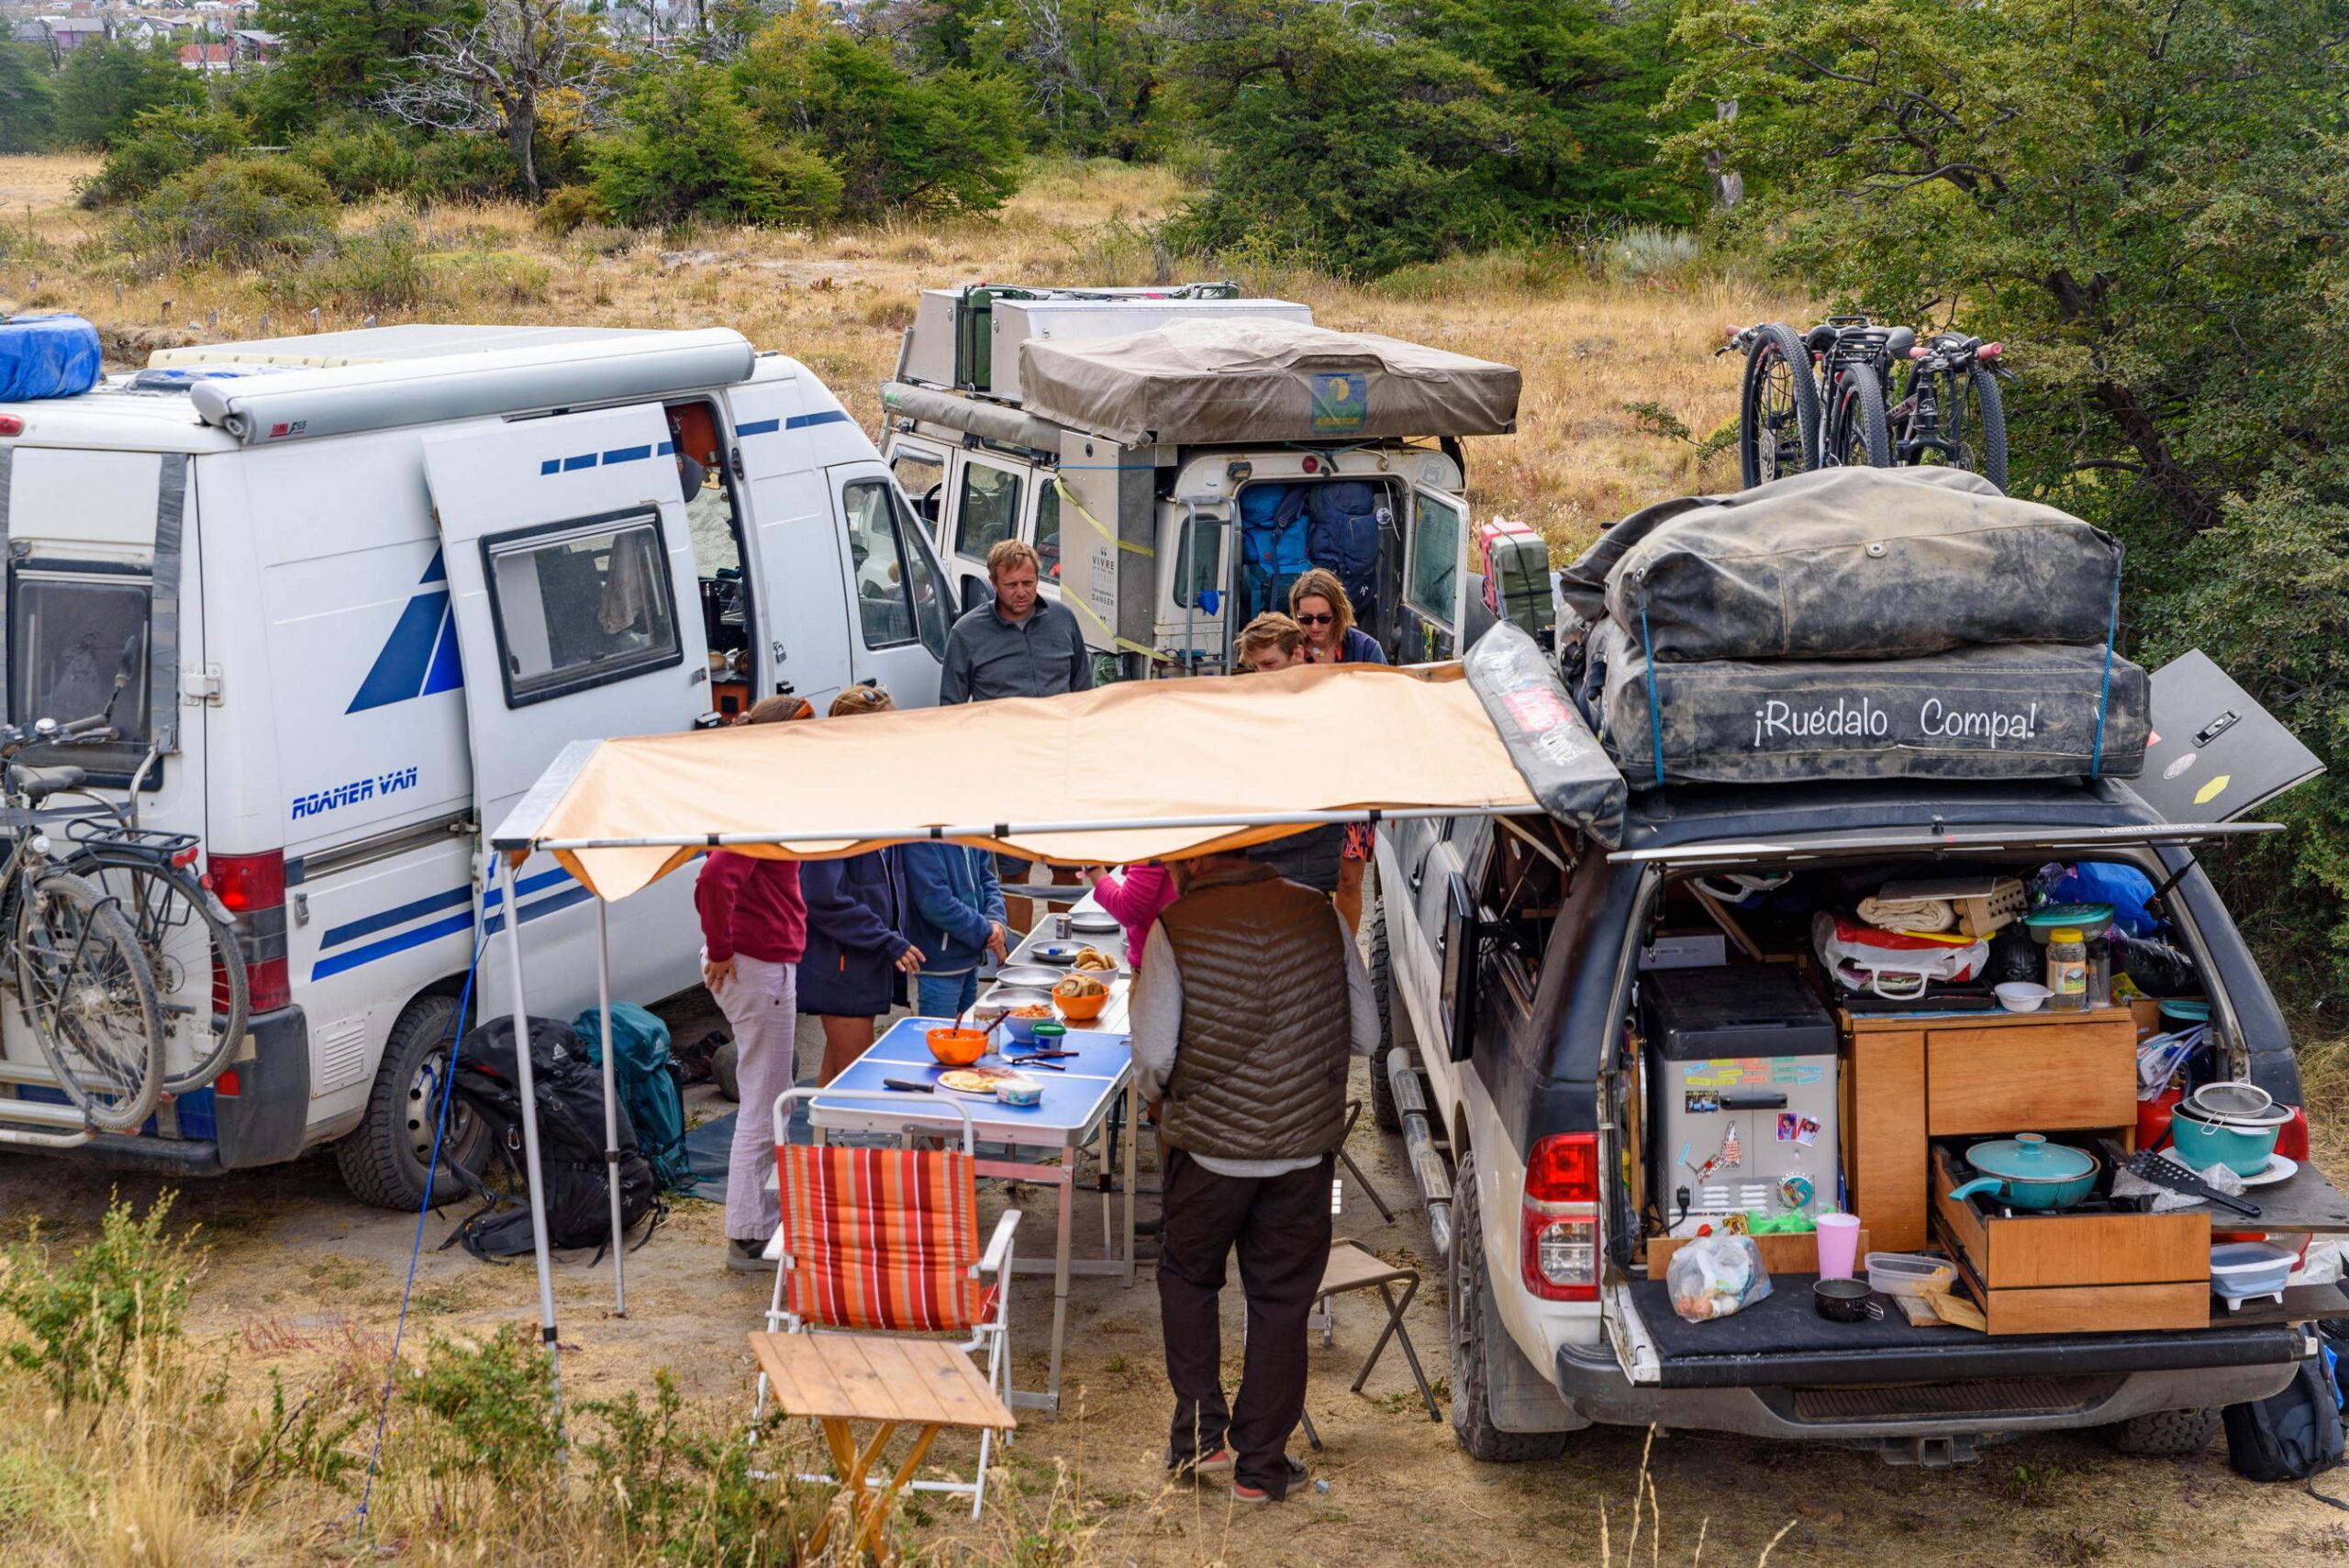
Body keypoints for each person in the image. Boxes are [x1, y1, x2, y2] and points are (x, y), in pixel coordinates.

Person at [1130, 851, 1379, 1504]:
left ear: (1197, 858)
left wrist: (1162, 1094)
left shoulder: (1176, 926)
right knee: (1281, 1302)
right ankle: (1260, 1467)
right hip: (1303, 1150)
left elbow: (1154, 1056)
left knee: (1187, 1278)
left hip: (1206, 1148)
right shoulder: (1321, 917)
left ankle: (1200, 1438)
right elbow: (1369, 1033)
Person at [696, 694, 814, 1272]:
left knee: (767, 1099)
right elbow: (715, 878)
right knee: (765, 1103)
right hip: (756, 964)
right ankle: (748, 1234)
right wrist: (721, 948)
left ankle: (757, 1222)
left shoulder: (762, 793)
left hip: (760, 961)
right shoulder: (761, 803)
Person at [939, 537, 1094, 932]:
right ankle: (1015, 959)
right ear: (993, 583)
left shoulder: (1063, 620)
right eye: (1011, 585)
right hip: (1005, 772)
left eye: (1029, 582)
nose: (1022, 592)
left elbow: (1083, 692)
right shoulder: (967, 633)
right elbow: (953, 711)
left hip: (1062, 768)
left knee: (1067, 865)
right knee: (1014, 871)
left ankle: (1068, 953)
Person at [797, 686, 924, 1084]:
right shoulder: (833, 802)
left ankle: (814, 1146)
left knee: (834, 1083)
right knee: (859, 1084)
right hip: (841, 965)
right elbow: (819, 894)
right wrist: (889, 941)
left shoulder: (875, 795)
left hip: (862, 960)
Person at [1288, 570, 1385, 933]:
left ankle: (1344, 955)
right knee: (1303, 875)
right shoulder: (1290, 649)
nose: (1314, 627)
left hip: (1354, 780)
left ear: (1339, 613)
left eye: (1323, 618)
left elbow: (1383, 707)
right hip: (1303, 780)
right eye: (1305, 618)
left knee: (1349, 877)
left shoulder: (1364, 649)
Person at [1233, 615, 1347, 896]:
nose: (1261, 673)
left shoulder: (1320, 709)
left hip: (1302, 872)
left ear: (1297, 653)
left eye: (1269, 664)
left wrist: (1242, 843)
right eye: (1255, 666)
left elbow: (1319, 810)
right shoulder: (1267, 705)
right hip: (1272, 864)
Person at [900, 838, 1008, 1019]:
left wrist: (996, 920)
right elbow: (936, 904)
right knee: (940, 1040)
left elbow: (988, 879)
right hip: (940, 966)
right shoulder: (920, 838)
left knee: (964, 1035)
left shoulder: (968, 829)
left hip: (971, 957)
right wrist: (987, 931)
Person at [1083, 862, 1176, 970]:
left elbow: (1126, 909)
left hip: (1158, 970)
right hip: (1183, 959)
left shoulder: (1153, 846)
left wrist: (1093, 868)